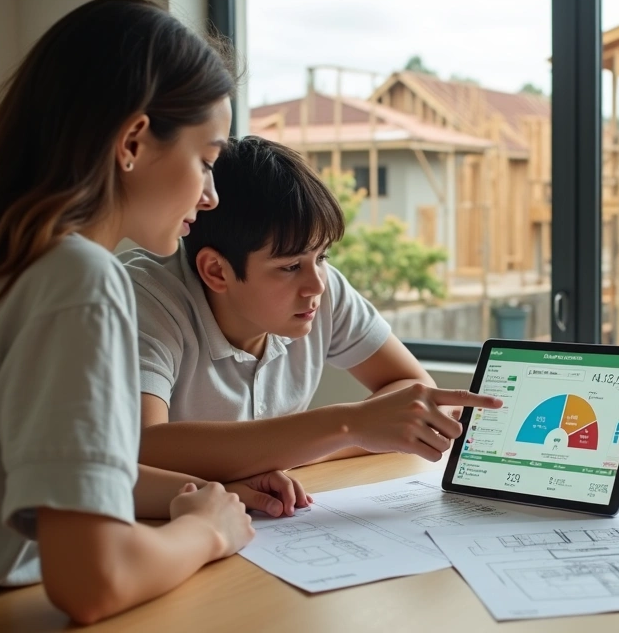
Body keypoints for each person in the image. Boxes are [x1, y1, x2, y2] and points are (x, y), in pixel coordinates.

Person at [0, 0, 293, 624]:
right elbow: (93, 582)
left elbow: (45, 469)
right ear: (133, 140)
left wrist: (202, 495)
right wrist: (208, 534)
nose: (210, 196)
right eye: (206, 160)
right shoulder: (78, 279)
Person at [122, 136, 502, 487]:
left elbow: (411, 389)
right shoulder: (143, 299)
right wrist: (346, 425)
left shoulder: (322, 288)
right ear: (216, 271)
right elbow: (144, 447)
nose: (316, 284)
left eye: (321, 256)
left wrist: (293, 453)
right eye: (290, 267)